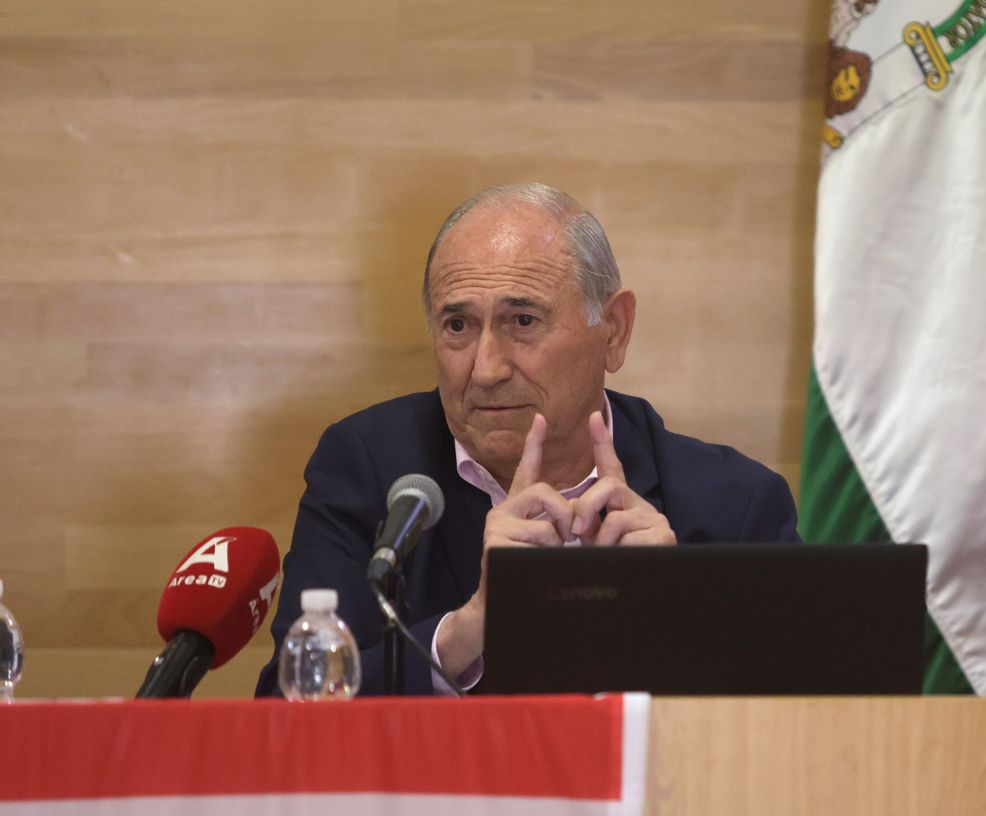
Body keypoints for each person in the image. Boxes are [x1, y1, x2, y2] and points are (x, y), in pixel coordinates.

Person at [254, 184, 799, 696]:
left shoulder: (733, 507)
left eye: (522, 320)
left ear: (613, 330)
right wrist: (468, 630)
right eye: (458, 327)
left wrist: (668, 622)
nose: (486, 369)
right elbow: (287, 705)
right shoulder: (371, 471)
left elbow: (805, 722)